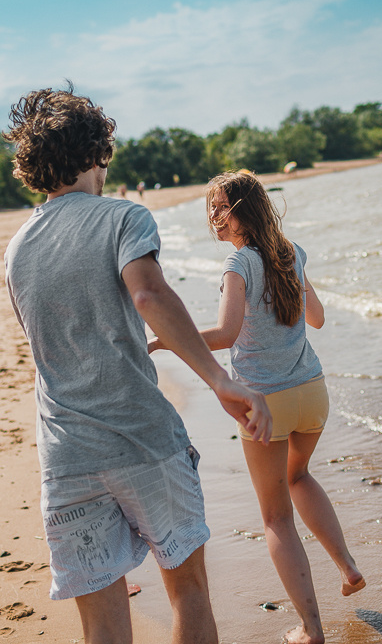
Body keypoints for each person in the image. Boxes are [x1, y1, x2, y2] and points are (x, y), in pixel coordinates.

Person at [3, 88, 272, 644]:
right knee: (189, 591)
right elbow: (148, 296)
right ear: (97, 154)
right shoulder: (123, 217)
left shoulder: (17, 246)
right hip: (141, 439)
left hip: (66, 456)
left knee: (101, 622)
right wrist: (219, 379)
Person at [149, 170, 365, 644]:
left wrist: (170, 341)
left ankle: (311, 628)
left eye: (219, 207)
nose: (212, 215)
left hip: (266, 403)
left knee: (275, 517)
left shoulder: (237, 265)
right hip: (313, 392)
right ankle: (347, 568)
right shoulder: (291, 253)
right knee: (300, 476)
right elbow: (318, 318)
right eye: (211, 207)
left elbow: (225, 335)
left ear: (241, 212)